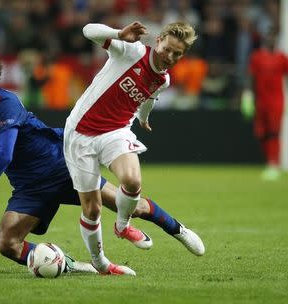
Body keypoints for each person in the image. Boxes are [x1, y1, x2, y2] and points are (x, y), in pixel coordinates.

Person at [0, 46, 204, 276]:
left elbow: (6, 154)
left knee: (133, 206)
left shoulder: (6, 103)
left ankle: (178, 230)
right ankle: (70, 265)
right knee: (6, 243)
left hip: (63, 169)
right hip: (29, 188)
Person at [63, 21, 204, 275]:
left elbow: (148, 99)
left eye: (177, 54)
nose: (170, 56)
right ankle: (100, 263)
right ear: (158, 40)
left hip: (115, 131)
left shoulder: (163, 80)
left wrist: (143, 118)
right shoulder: (132, 51)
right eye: (168, 49)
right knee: (92, 209)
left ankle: (122, 225)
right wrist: (119, 34)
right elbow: (87, 31)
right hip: (80, 132)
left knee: (131, 181)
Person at [241, 28, 288, 180]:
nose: (271, 40)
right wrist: (247, 95)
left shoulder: (283, 58)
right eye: (269, 37)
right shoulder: (257, 57)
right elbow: (250, 77)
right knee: (261, 134)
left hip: (276, 101)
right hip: (260, 101)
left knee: (274, 132)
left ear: (277, 40)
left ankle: (273, 164)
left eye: (274, 38)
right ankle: (269, 161)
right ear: (265, 39)